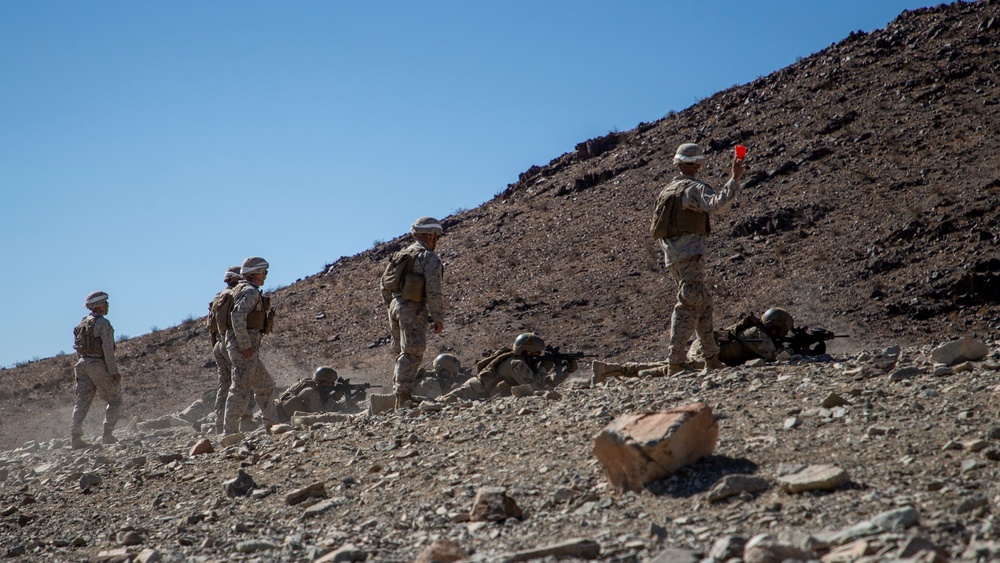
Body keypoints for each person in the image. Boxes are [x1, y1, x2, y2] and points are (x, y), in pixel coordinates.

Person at [650, 142, 744, 376]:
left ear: (678, 162)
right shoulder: (693, 189)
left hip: (672, 257)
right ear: (699, 164)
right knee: (689, 303)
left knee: (703, 302)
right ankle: (676, 361)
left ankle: (711, 356)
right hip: (690, 255)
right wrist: (734, 177)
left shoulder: (667, 191)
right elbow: (718, 205)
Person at [591, 308, 793, 383]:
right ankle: (648, 375)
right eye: (782, 331)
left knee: (675, 363)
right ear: (773, 327)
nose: (783, 335)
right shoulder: (756, 333)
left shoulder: (758, 333)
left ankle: (609, 370)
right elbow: (777, 356)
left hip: (707, 347)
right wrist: (796, 352)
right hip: (707, 349)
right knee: (682, 369)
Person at [380, 217, 445, 408]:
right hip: (412, 308)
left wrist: (392, 305)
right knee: (413, 352)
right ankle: (403, 398)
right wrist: (438, 317)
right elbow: (434, 290)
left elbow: (383, 284)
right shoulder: (428, 257)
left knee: (402, 352)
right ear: (432, 235)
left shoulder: (401, 254)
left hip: (395, 305)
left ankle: (400, 395)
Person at [222, 256, 279, 436]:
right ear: (255, 273)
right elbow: (237, 316)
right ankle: (229, 433)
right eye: (264, 272)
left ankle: (273, 425)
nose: (266, 276)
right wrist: (245, 344)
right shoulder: (250, 292)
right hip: (243, 349)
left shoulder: (241, 289)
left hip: (244, 349)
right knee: (240, 388)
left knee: (266, 385)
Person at [441, 333, 578, 402]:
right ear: (527, 351)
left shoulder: (525, 364)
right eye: (536, 352)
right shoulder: (516, 363)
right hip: (472, 391)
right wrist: (545, 367)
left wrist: (567, 371)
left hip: (480, 395)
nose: (539, 355)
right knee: (440, 404)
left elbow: (544, 384)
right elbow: (536, 386)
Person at [70, 291, 123, 449]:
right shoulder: (103, 324)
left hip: (81, 364)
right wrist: (113, 371)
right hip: (97, 364)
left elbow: (78, 348)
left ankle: (75, 438)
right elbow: (108, 349)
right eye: (105, 303)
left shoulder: (81, 324)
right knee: (115, 399)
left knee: (82, 401)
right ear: (98, 305)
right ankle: (107, 435)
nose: (107, 306)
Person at [207, 266, 242, 434]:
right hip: (230, 344)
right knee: (241, 382)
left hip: (218, 345)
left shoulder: (218, 297)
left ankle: (219, 424)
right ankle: (241, 422)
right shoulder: (234, 296)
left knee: (224, 385)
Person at [277, 366, 342, 421]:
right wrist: (333, 399)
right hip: (279, 417)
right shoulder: (311, 392)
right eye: (330, 383)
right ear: (322, 382)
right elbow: (320, 414)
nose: (331, 385)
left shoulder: (316, 388)